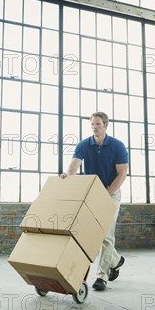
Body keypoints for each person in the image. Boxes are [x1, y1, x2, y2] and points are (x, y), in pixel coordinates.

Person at [60, 111, 128, 291]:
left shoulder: (117, 146)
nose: (94, 127)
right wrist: (69, 177)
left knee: (105, 233)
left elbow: (122, 174)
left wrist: (107, 194)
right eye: (92, 124)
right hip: (90, 192)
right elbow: (74, 164)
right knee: (91, 233)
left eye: (98, 124)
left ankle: (101, 277)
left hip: (111, 192)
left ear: (106, 125)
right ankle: (115, 260)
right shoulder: (84, 144)